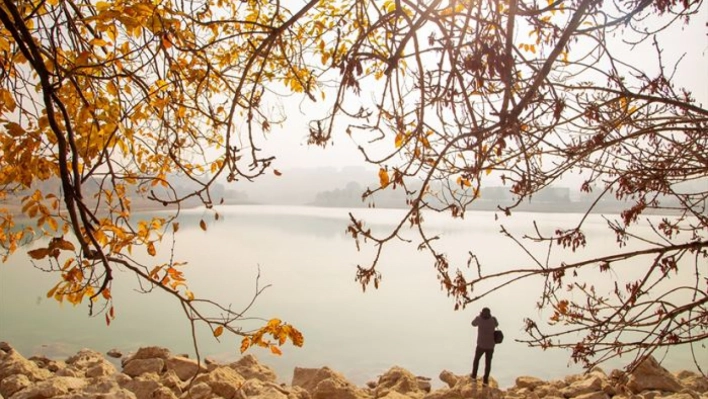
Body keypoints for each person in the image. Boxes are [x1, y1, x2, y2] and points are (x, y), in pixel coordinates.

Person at [471, 307, 498, 385]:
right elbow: (497, 325)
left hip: (481, 345)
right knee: (488, 363)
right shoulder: (493, 319)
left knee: (476, 360)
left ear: (482, 312)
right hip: (490, 345)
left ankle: (473, 377)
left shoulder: (479, 319)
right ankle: (485, 381)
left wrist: (479, 316)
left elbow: (473, 324)